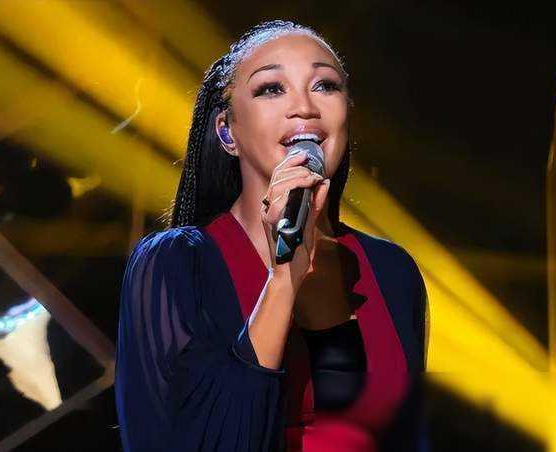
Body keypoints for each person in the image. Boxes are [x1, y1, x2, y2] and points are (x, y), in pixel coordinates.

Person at [115, 20, 430, 452]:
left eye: (325, 85)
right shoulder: (177, 263)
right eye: (271, 89)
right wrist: (284, 280)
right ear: (227, 131)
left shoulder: (390, 270)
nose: (304, 107)